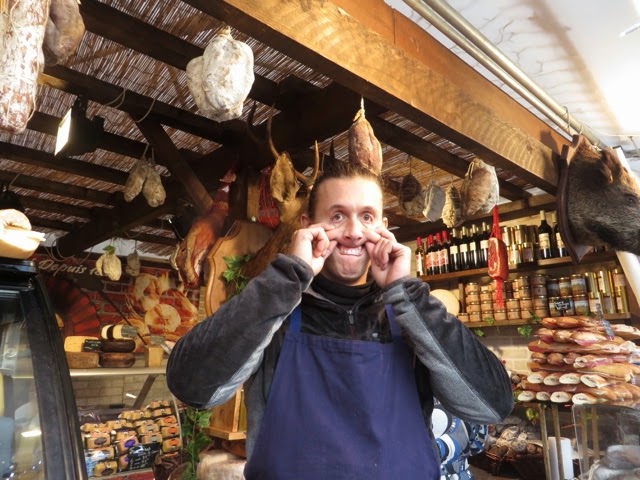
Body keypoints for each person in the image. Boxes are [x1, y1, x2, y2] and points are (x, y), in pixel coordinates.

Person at [167, 162, 513, 480]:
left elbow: (491, 404)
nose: (353, 232)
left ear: (383, 228)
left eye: (367, 217)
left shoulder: (410, 315)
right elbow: (191, 385)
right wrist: (290, 276)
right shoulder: (275, 311)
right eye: (337, 216)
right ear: (306, 226)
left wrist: (406, 292)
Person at [431, 398, 488, 480]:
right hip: (461, 475)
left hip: (424, 473)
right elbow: (477, 446)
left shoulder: (415, 397)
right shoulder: (472, 398)